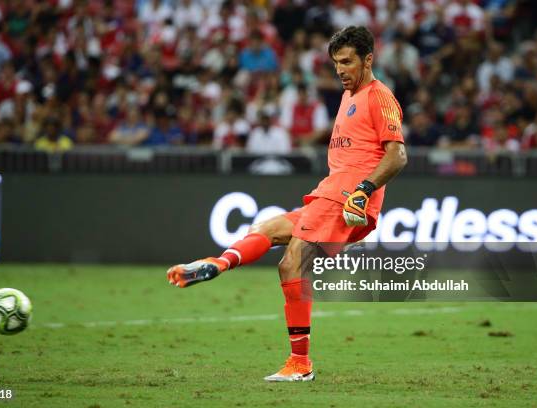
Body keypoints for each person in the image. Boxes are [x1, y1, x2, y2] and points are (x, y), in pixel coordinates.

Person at [167, 26, 407, 382]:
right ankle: (216, 264)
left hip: (346, 198)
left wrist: (364, 189)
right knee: (265, 228)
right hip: (327, 193)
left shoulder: (379, 97)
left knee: (291, 262)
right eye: (335, 63)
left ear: (368, 59)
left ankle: (300, 362)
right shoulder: (347, 96)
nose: (340, 70)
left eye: (347, 62)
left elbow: (398, 155)